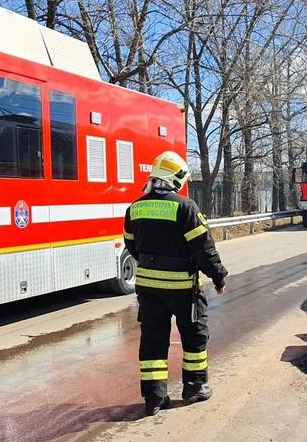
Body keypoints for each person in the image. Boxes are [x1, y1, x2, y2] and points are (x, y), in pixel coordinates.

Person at [123, 151, 229, 417]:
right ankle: (194, 388)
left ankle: (154, 399)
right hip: (183, 289)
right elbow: (204, 249)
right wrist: (218, 276)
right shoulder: (185, 207)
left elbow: (131, 246)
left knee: (153, 341)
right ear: (176, 178)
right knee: (194, 337)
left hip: (148, 290)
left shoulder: (135, 208)